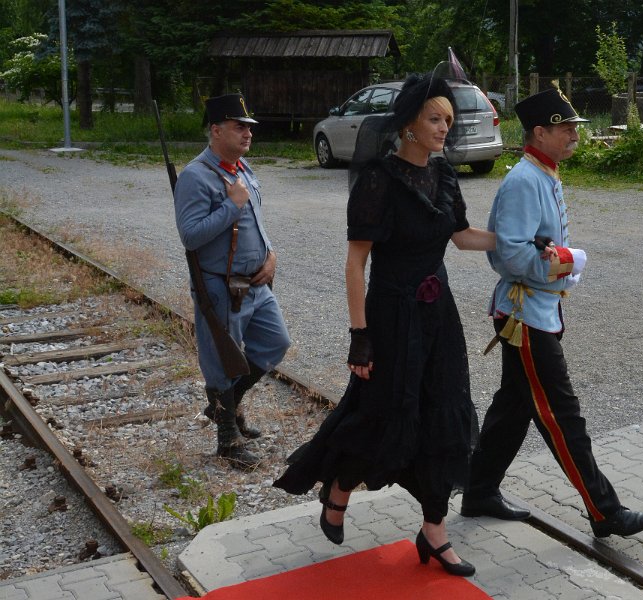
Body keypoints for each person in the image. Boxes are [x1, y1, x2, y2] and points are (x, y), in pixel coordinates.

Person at [274, 72, 497, 577]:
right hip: (392, 315)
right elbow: (356, 263)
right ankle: (339, 487)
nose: (445, 128)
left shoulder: (443, 176)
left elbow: (462, 238)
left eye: (449, 120)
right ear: (409, 125)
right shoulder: (378, 178)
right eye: (435, 119)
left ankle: (434, 531)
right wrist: (360, 336)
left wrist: (514, 242)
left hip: (439, 315)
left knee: (445, 410)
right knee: (382, 413)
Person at [460, 88, 643, 539]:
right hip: (524, 315)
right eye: (566, 128)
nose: (574, 134)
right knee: (560, 413)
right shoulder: (524, 181)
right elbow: (509, 254)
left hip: (536, 310)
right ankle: (604, 510)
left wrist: (558, 263)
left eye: (574, 128)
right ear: (539, 132)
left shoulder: (542, 173)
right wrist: (564, 264)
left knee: (514, 406)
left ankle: (478, 489)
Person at [174, 93, 291, 470]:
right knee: (221, 362)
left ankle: (227, 405)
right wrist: (231, 205)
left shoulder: (242, 169)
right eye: (239, 127)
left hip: (256, 284)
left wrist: (270, 254)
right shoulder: (195, 176)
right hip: (221, 288)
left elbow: (257, 221)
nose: (247, 133)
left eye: (249, 127)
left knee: (274, 343)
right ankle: (227, 439)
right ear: (216, 130)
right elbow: (191, 236)